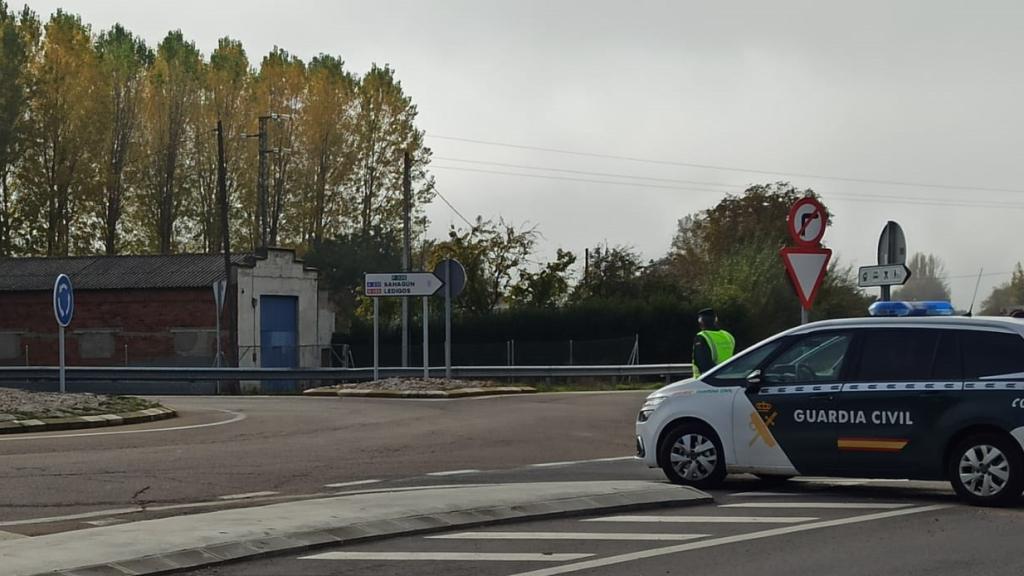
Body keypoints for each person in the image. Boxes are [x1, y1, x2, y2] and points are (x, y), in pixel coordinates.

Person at [692, 308, 735, 378]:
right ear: (716, 319)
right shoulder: (728, 336)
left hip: (708, 380)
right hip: (728, 377)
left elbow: (703, 364)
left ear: (701, 321)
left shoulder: (702, 337)